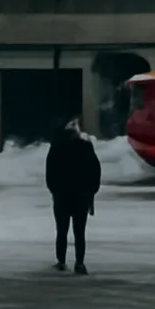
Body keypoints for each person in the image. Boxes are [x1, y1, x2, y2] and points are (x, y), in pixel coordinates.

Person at [45, 117, 101, 275]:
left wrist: (55, 191)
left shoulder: (56, 147)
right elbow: (95, 172)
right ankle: (80, 263)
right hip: (81, 197)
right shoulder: (86, 147)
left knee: (62, 231)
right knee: (79, 232)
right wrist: (91, 192)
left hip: (61, 196)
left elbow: (50, 173)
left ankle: (61, 261)